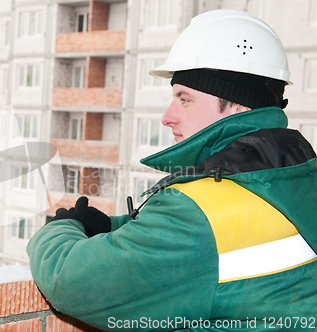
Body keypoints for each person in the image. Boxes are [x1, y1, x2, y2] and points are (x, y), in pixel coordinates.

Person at [27, 9, 317, 331]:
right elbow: (225, 238)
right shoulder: (297, 174)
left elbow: (69, 282)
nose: (167, 116)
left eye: (184, 99)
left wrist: (60, 228)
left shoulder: (197, 212)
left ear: (238, 105)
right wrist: (112, 226)